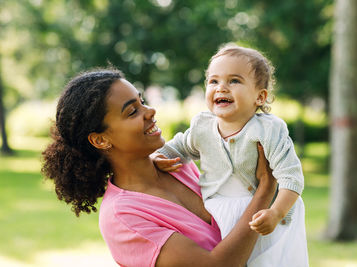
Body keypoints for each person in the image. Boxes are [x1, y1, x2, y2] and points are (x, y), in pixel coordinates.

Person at [41, 68, 278, 267]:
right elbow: (216, 264)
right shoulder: (122, 217)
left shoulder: (176, 165)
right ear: (100, 140)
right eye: (132, 111)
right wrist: (265, 190)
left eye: (142, 101)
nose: (150, 111)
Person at [154, 44, 309, 266]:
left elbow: (291, 177)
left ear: (260, 97)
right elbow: (180, 147)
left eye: (234, 81)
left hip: (264, 214)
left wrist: (275, 213)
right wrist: (158, 155)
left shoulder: (268, 130)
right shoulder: (202, 126)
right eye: (214, 81)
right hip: (218, 210)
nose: (222, 88)